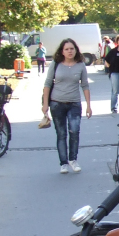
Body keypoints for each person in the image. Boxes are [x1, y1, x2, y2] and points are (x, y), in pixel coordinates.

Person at [42, 38, 92, 174]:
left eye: (72, 49)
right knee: (61, 134)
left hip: (74, 104)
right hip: (57, 103)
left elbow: (85, 85)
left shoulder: (80, 65)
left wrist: (88, 105)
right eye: (67, 49)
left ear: (76, 50)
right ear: (62, 51)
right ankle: (63, 163)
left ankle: (73, 160)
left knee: (74, 131)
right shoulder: (56, 64)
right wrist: (45, 104)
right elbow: (47, 84)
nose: (70, 51)